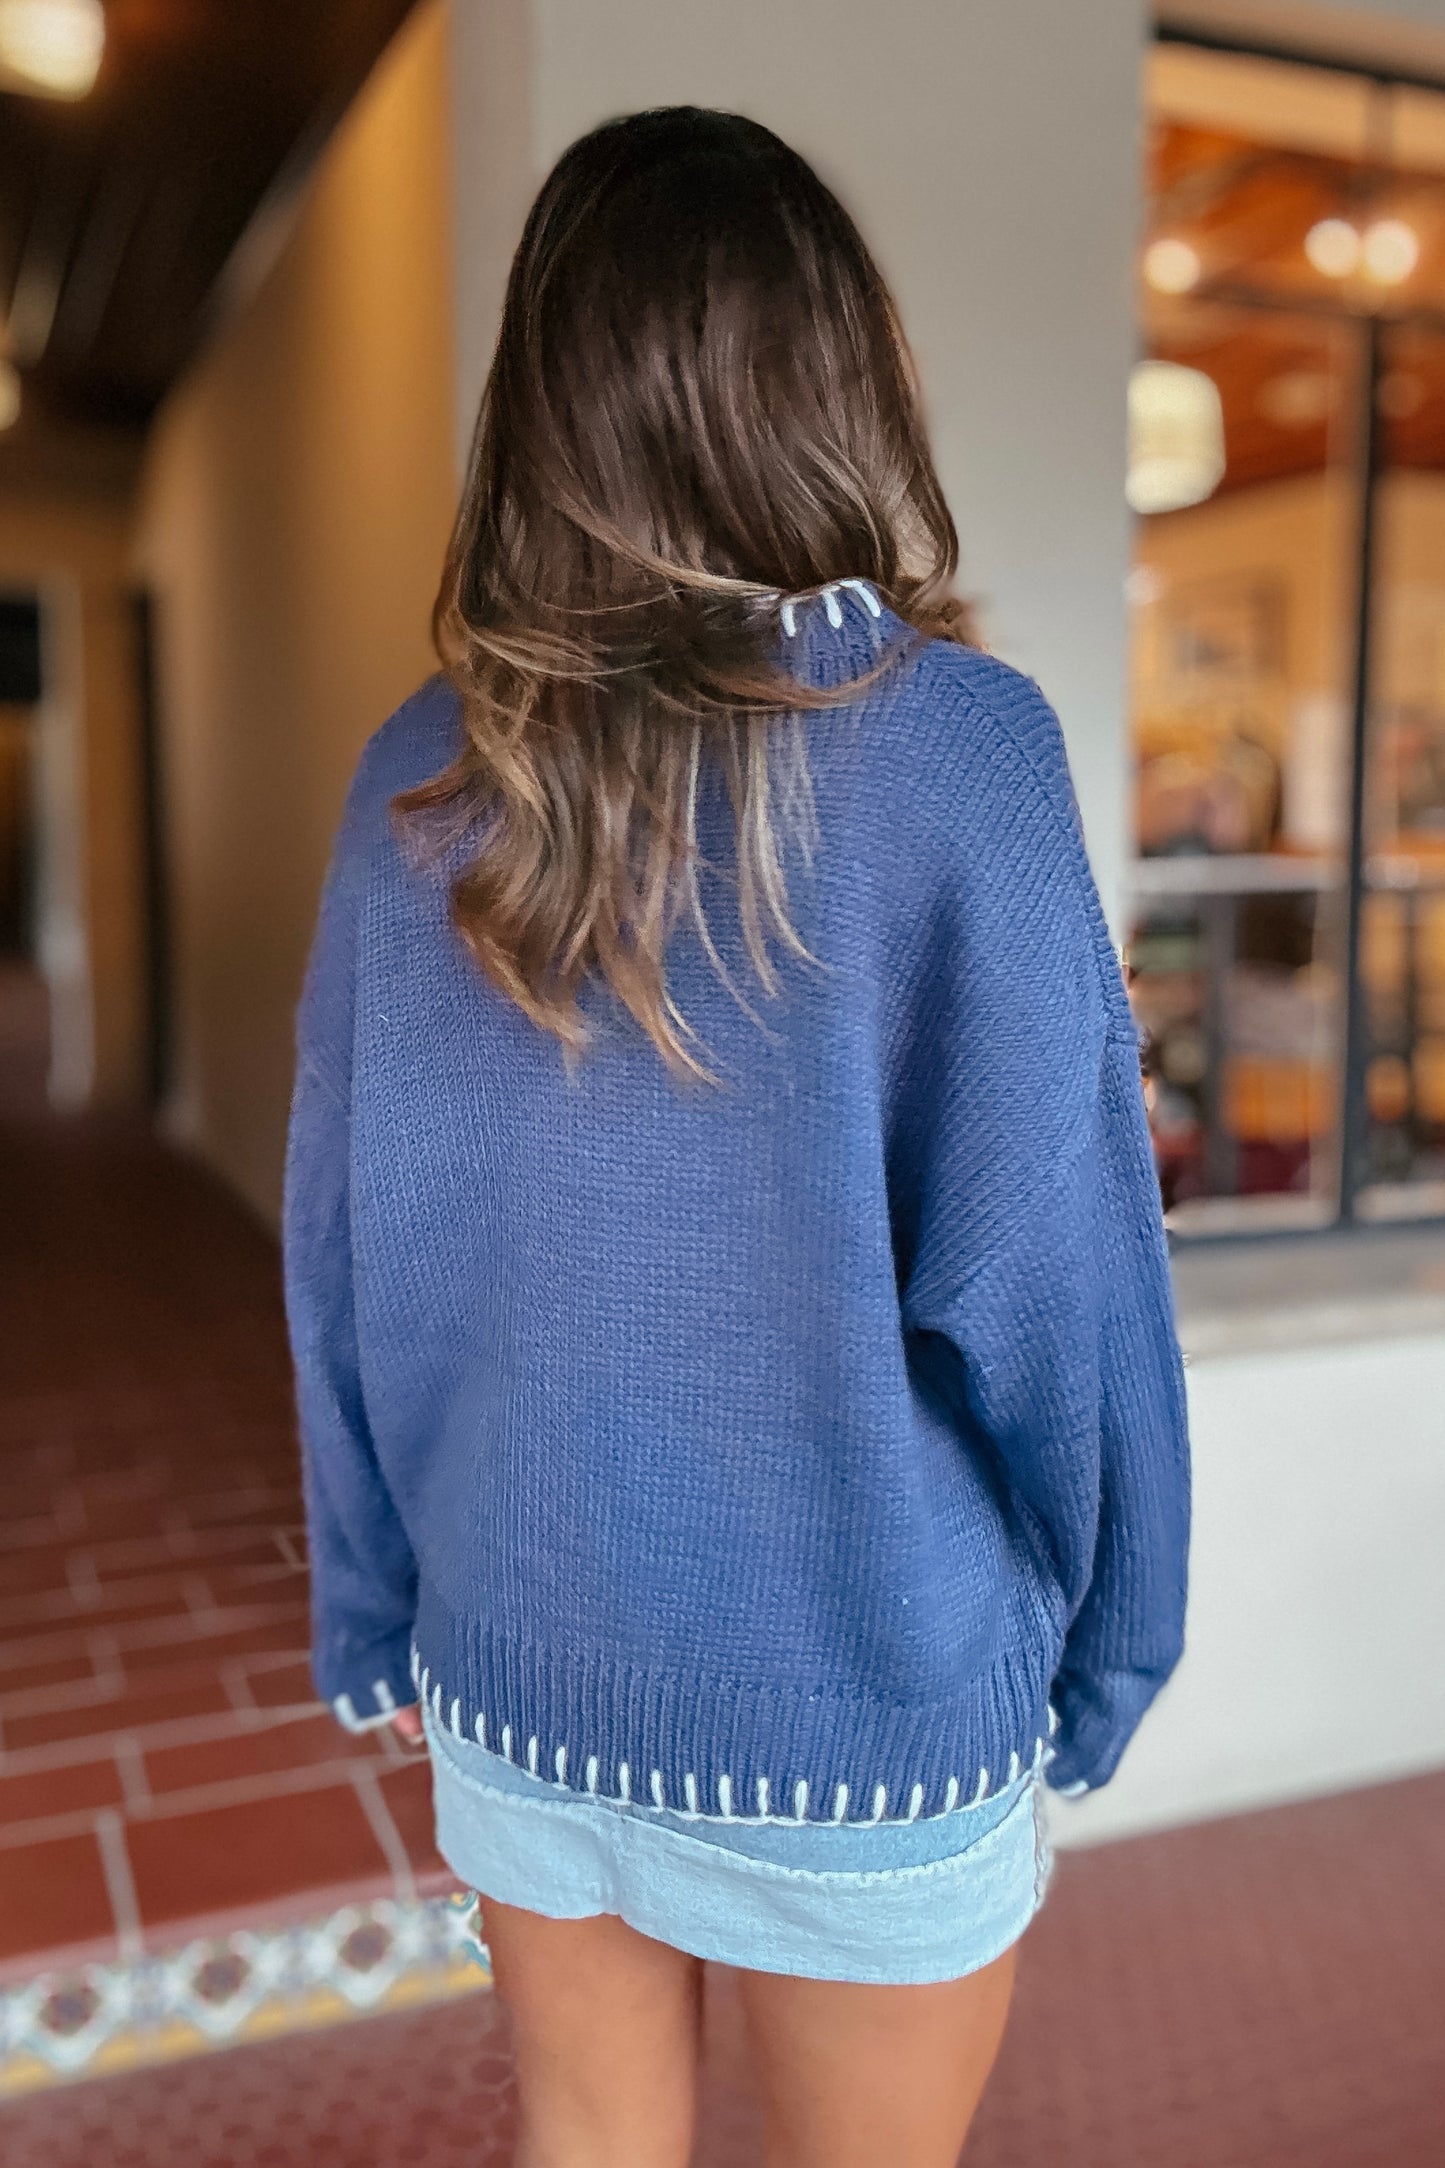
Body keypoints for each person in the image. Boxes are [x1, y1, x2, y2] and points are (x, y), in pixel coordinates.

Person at [284, 106, 1190, 2168]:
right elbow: (1060, 1280)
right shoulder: (959, 753)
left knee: (588, 2147)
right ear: (842, 380)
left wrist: (375, 1597)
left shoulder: (418, 773)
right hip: (858, 1702)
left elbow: (343, 1247)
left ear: (539, 409)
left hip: (519, 1665)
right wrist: (1117, 1634)